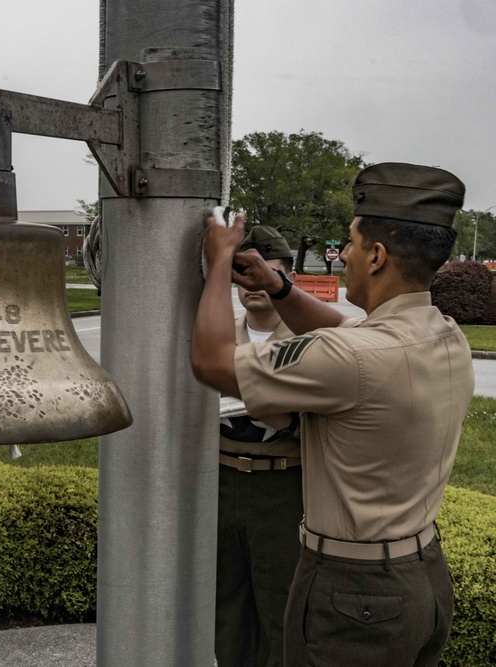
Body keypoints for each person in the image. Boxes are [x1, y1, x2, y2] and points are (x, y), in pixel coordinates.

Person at [191, 162, 473, 666]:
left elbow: (212, 362)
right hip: (419, 572)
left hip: (355, 593)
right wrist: (280, 289)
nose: (341, 256)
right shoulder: (443, 332)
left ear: (377, 255)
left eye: (349, 243)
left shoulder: (358, 358)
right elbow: (349, 339)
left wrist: (218, 263)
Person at [215, 226, 302, 667]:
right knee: (226, 606)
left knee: (280, 605)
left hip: (282, 487)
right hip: (222, 481)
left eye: (270, 273)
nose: (255, 285)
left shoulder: (309, 341)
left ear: (287, 280)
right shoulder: (219, 337)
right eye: (246, 274)